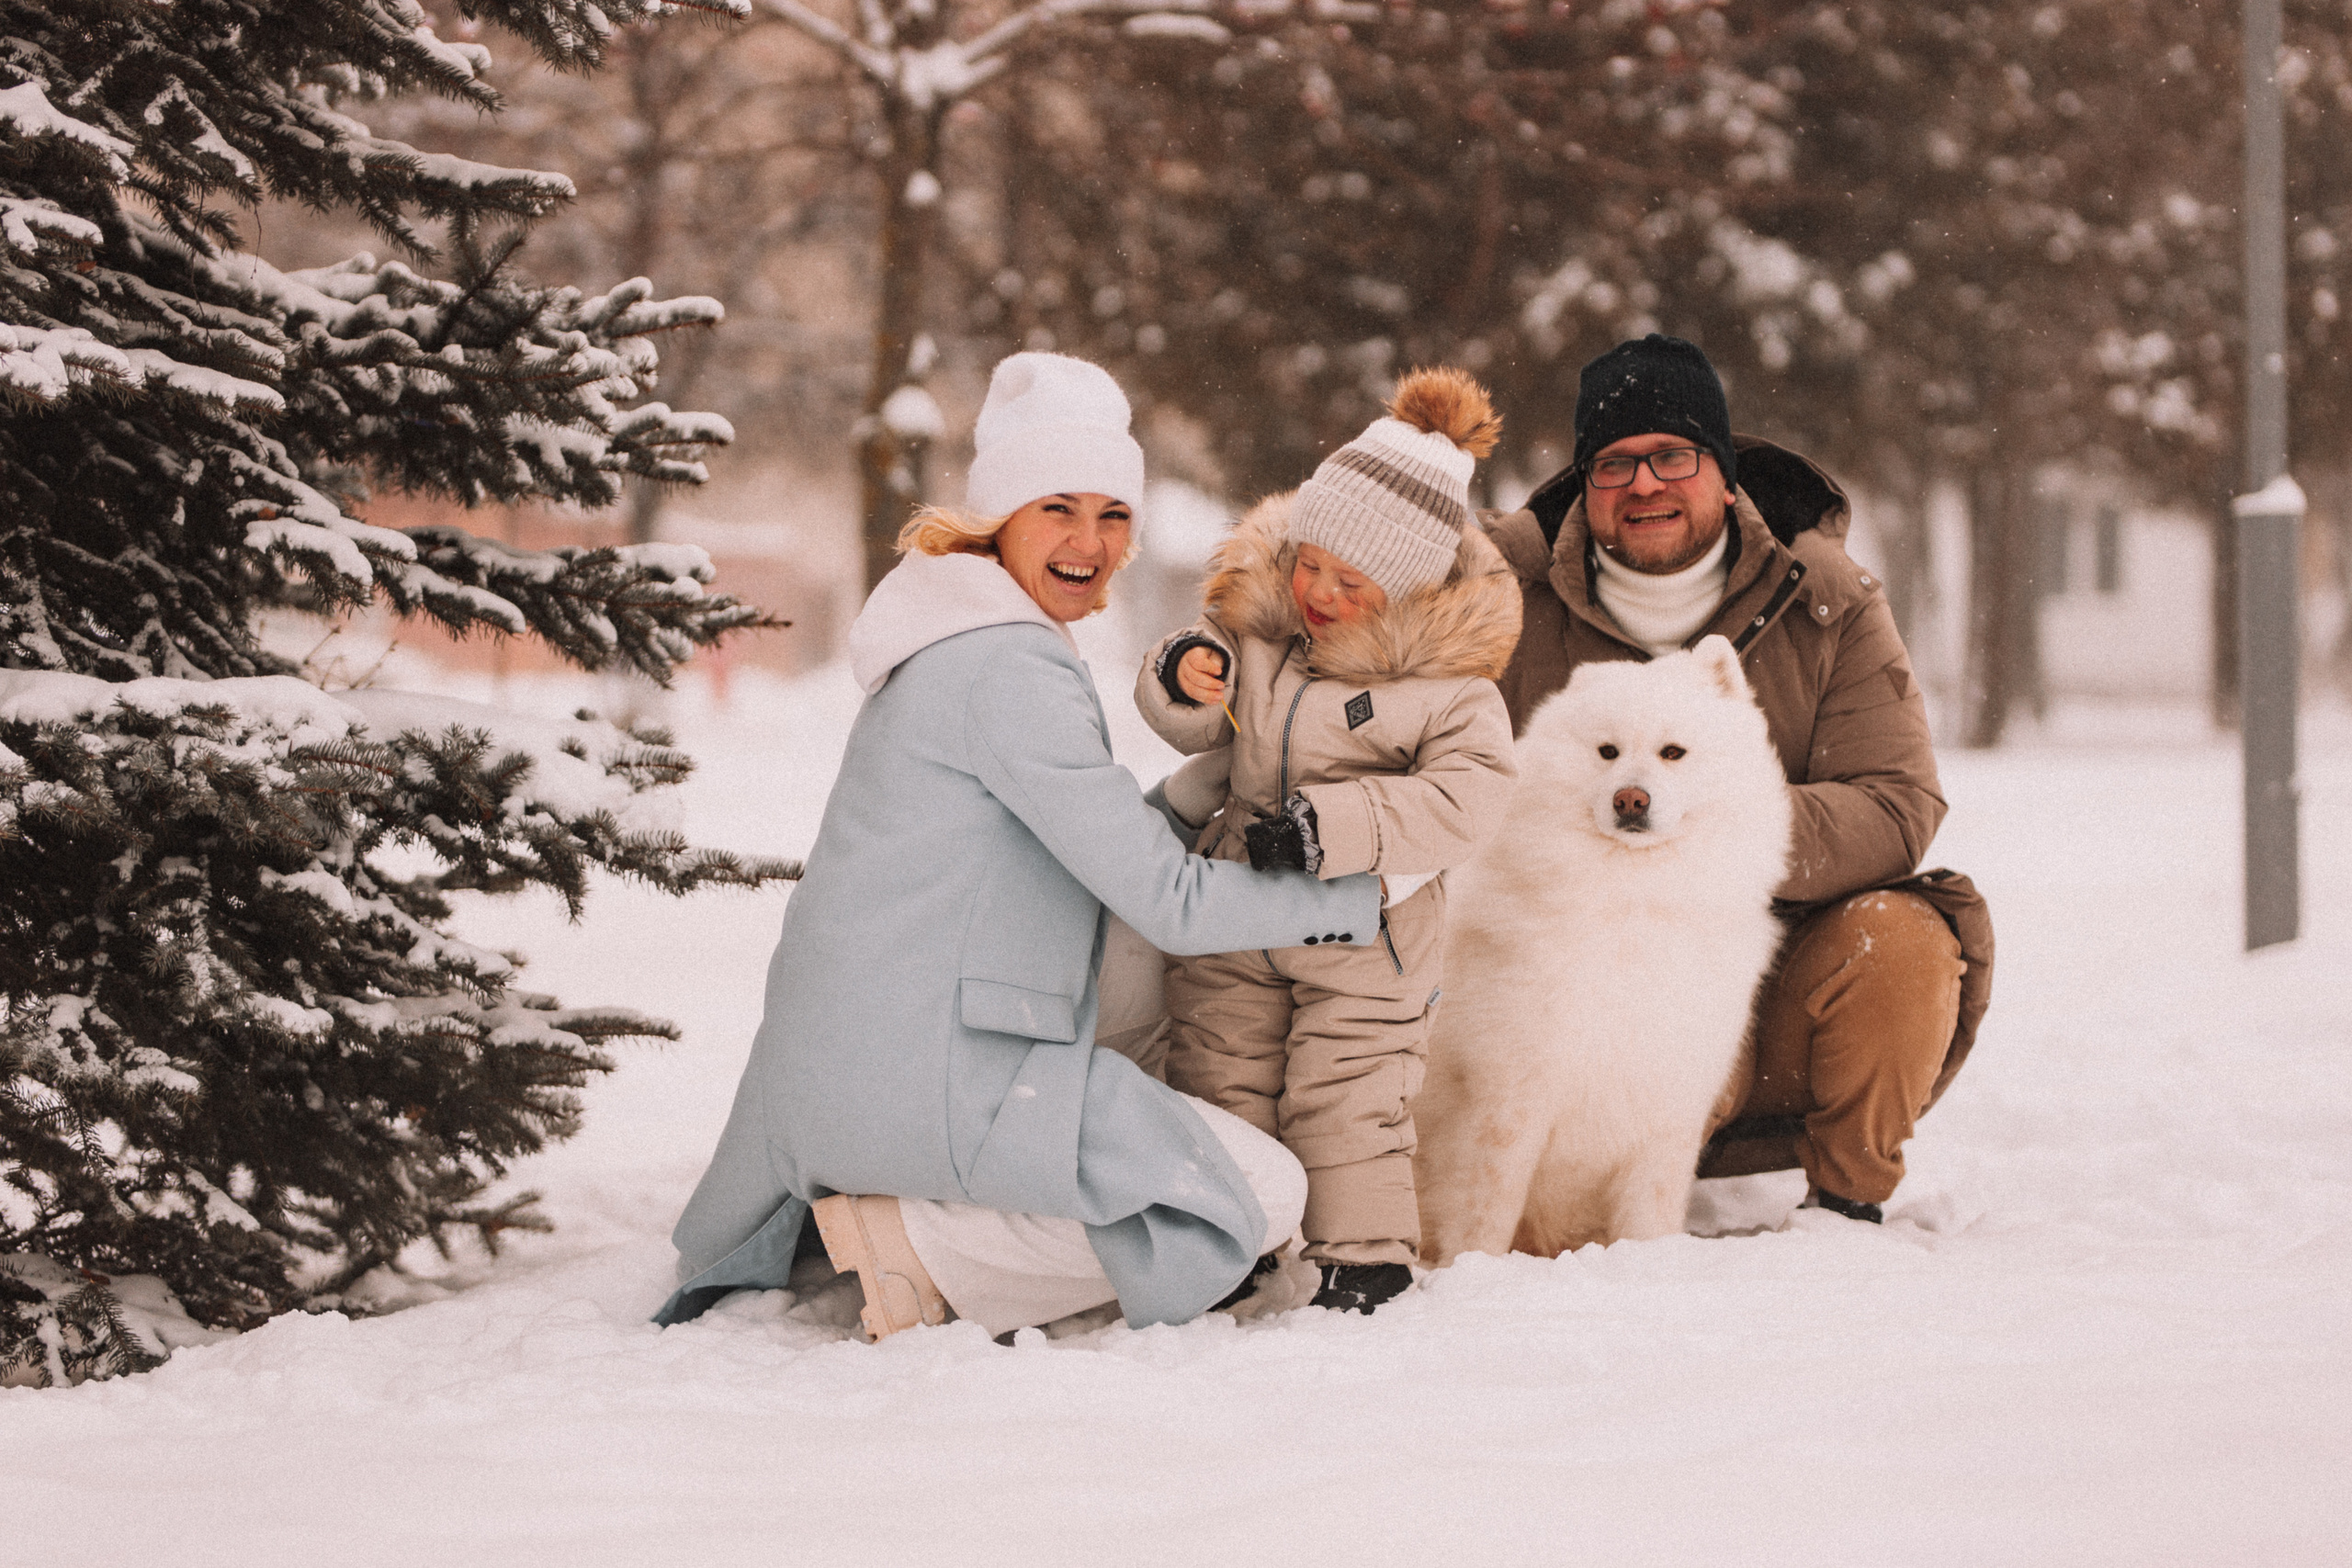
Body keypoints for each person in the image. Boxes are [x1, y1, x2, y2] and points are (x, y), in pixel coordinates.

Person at [654, 353, 1384, 1342]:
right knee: (1260, 1193)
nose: (1090, 542)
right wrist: (1356, 902)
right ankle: (915, 1246)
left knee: (1161, 1070)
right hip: (931, 1067)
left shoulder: (959, 633)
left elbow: (1070, 842)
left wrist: (1208, 783)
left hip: (868, 1052)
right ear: (1000, 515)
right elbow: (1166, 902)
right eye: (1058, 508)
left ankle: (922, 1215)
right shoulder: (1009, 665)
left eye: (1112, 515)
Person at [1484, 333, 1994, 1222]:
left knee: (1905, 937)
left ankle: (1843, 1208)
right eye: (1615, 464)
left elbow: (1897, 803)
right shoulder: (1501, 605)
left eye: (1673, 456)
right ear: (1585, 485)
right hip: (1580, 984)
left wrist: (1702, 837)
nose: (1645, 483)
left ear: (1724, 473)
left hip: (1789, 966)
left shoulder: (1827, 603)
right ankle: (1561, 1216)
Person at [1133, 368, 1521, 1314]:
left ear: (1405, 593)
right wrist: (1183, 681)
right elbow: (1199, 732)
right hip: (1237, 912)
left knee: (1346, 1094)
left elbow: (1470, 800)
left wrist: (1332, 829)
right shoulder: (1260, 640)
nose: (1319, 591)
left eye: (1351, 583)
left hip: (1367, 938)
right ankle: (1230, 1242)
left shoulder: (1449, 690)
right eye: (1311, 565)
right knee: (1219, 1072)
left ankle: (1364, 1257)